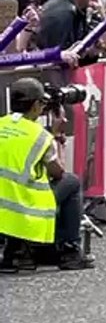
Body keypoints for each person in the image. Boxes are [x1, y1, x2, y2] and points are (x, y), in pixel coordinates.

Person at [0, 78, 91, 272]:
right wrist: (56, 136)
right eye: (42, 103)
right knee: (71, 182)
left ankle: (15, 250)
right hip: (21, 207)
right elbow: (58, 173)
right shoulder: (40, 136)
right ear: (34, 105)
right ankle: (70, 250)